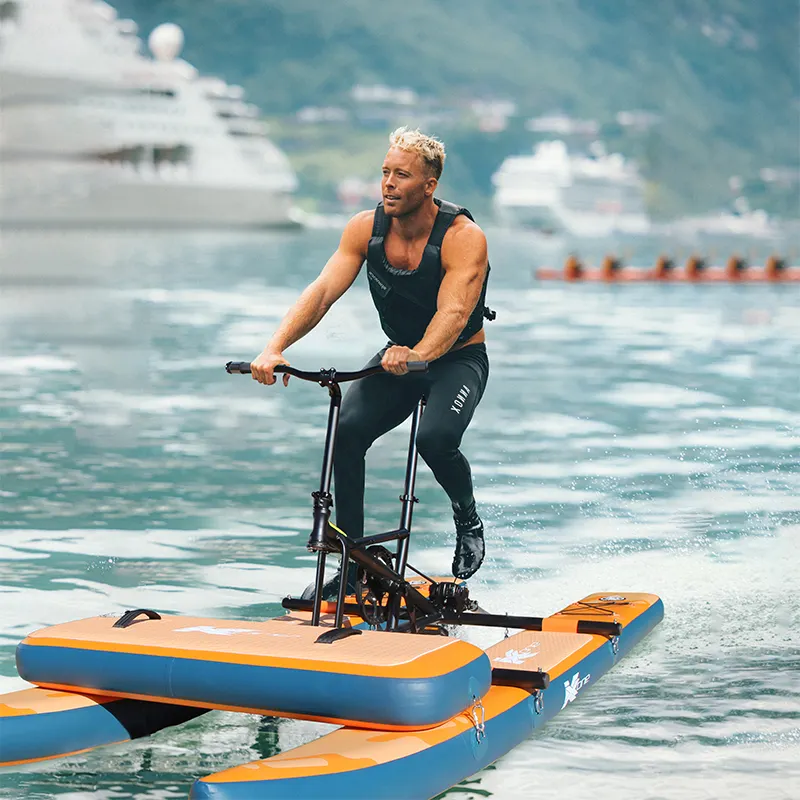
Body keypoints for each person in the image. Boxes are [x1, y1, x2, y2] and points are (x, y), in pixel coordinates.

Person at [250, 127, 493, 593]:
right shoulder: (365, 228)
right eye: (384, 172)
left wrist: (419, 354)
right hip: (396, 358)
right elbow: (322, 293)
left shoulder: (464, 237)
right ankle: (354, 561)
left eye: (401, 175)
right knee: (346, 432)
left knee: (436, 438)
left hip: (457, 359)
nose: (388, 183)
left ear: (429, 185)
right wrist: (274, 347)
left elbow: (455, 311)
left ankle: (468, 518)